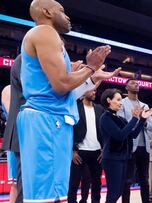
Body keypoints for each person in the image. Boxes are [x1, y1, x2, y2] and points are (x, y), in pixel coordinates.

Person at [16, 0, 118, 201]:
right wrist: (90, 67)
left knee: (53, 194)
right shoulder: (44, 32)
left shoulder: (48, 37)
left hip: (50, 118)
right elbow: (61, 84)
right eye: (61, 11)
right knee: (46, 196)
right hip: (46, 120)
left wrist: (90, 75)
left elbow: (60, 89)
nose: (67, 16)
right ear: (46, 12)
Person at [100, 88, 152, 203]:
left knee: (119, 191)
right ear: (109, 100)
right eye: (118, 100)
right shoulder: (105, 118)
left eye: (121, 100)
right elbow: (120, 135)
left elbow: (133, 134)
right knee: (114, 192)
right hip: (112, 159)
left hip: (123, 158)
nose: (120, 103)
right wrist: (134, 118)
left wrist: (142, 119)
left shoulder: (121, 118)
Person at [118, 78, 152, 203]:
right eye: (133, 83)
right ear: (126, 87)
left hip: (145, 147)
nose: (136, 84)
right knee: (127, 179)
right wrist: (139, 119)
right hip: (130, 146)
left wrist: (143, 121)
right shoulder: (122, 103)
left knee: (144, 178)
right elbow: (123, 124)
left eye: (137, 83)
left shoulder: (145, 105)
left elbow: (151, 127)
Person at [68, 88, 105, 203]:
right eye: (92, 90)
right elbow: (69, 130)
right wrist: (72, 151)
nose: (94, 92)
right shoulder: (75, 108)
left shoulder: (100, 109)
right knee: (74, 183)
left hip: (97, 152)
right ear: (83, 91)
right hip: (79, 151)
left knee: (96, 183)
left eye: (95, 90)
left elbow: (105, 131)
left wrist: (104, 149)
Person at [1, 85, 18, 203]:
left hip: (31, 137)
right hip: (17, 137)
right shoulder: (9, 89)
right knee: (16, 184)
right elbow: (14, 114)